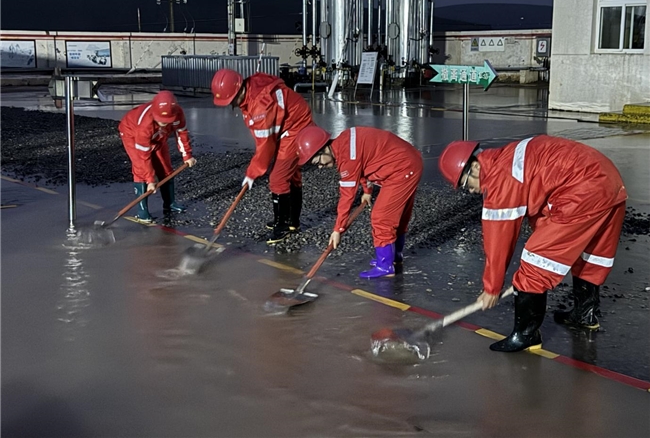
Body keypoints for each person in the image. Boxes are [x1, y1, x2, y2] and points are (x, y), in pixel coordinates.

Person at [438, 135, 627, 352]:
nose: (470, 191)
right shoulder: (508, 159)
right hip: (608, 179)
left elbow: (498, 239)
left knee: (534, 263)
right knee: (591, 255)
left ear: (475, 167)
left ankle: (527, 335)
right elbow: (541, 202)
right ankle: (585, 315)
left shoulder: (500, 178)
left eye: (465, 184)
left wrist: (492, 287)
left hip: (583, 190)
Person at [296, 125, 423, 278]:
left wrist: (338, 229)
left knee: (381, 217)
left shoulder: (346, 156)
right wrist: (367, 191)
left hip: (402, 169)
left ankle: (385, 266)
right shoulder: (345, 145)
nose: (321, 167)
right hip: (408, 162)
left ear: (324, 148)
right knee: (398, 216)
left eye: (318, 162)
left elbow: (346, 197)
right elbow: (362, 168)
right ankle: (394, 258)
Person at [211, 68, 314, 244]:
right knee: (290, 172)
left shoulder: (260, 105)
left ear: (238, 91)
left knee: (278, 178)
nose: (231, 105)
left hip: (296, 125)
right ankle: (291, 221)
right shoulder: (250, 89)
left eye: (231, 100)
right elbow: (264, 139)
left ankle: (282, 226)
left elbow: (266, 144)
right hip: (288, 122)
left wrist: (252, 173)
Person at [118, 90, 196, 222]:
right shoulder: (144, 125)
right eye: (161, 120)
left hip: (159, 137)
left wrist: (187, 155)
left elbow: (181, 133)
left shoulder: (178, 113)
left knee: (165, 167)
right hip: (131, 134)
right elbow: (143, 155)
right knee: (140, 170)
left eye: (167, 120)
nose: (164, 123)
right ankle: (142, 212)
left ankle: (170, 203)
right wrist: (150, 180)